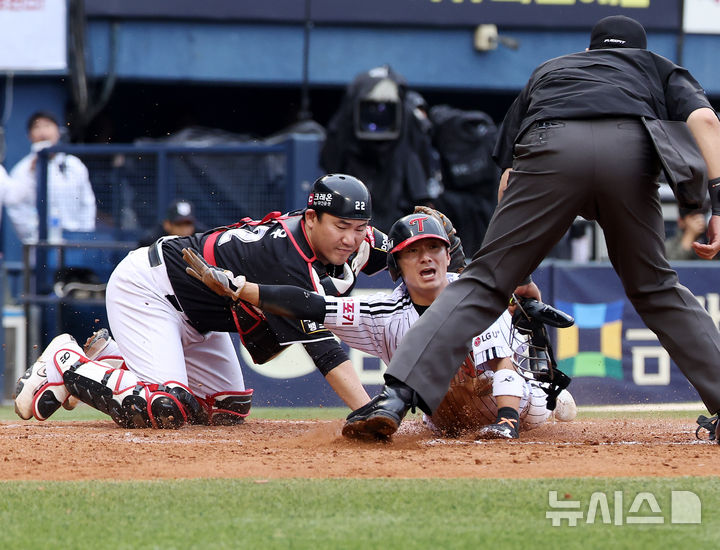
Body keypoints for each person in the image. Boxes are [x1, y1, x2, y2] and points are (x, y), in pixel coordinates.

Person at [339, 15, 720, 443]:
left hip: (550, 149)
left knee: (482, 284)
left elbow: (507, 179)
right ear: (638, 48)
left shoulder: (551, 70)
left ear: (593, 52)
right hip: (628, 153)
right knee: (656, 288)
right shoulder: (656, 65)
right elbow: (706, 122)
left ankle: (395, 395)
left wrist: (514, 273)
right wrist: (716, 202)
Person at [13, 174, 390, 428]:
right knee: (168, 408)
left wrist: (447, 252)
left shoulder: (356, 240)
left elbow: (400, 251)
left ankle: (114, 360)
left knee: (227, 409)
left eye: (359, 229)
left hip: (199, 315)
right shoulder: (286, 258)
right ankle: (68, 365)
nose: (351, 239)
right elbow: (326, 352)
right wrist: (369, 413)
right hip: (150, 288)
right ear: (311, 219)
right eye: (340, 227)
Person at [181, 211, 577, 439]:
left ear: (447, 255)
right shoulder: (383, 314)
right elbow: (310, 304)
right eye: (414, 252)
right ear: (396, 266)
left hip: (519, 409)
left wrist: (507, 423)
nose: (426, 259)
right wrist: (242, 287)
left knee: (507, 383)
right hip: (447, 423)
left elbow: (502, 365)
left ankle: (552, 396)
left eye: (434, 248)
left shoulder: (475, 297)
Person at [320, 65, 439, 232]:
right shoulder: (344, 126)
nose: (378, 113)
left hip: (397, 212)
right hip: (353, 214)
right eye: (371, 107)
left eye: (385, 108)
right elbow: (330, 161)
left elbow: (421, 169)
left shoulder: (410, 127)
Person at [7, 111, 96, 242]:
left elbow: (87, 202)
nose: (43, 132)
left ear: (58, 132)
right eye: (37, 127)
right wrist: (31, 236)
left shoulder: (74, 164)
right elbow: (15, 206)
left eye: (48, 126)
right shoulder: (22, 170)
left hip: (75, 238)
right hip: (41, 240)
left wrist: (84, 235)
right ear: (29, 135)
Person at [138, 198, 205, 247]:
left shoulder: (202, 239)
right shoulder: (151, 242)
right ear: (167, 224)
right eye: (179, 224)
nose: (184, 229)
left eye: (188, 224)